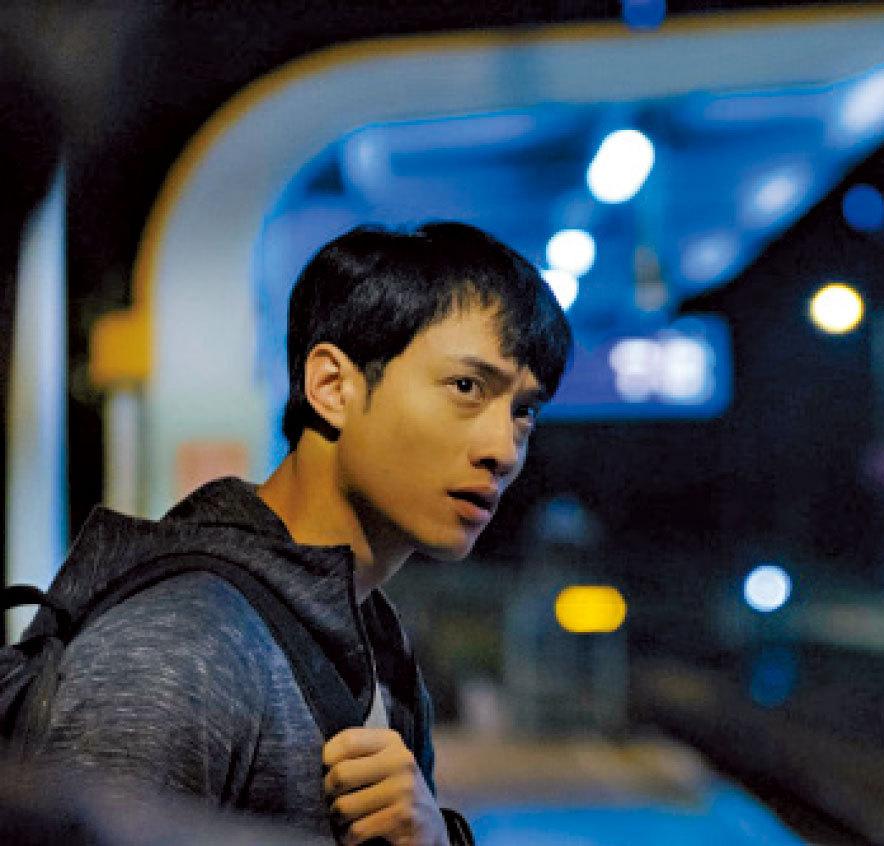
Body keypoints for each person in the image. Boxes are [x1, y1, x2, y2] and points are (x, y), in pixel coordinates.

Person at [21, 222, 572, 844]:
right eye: (466, 387)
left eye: (523, 411)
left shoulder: (373, 635)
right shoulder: (185, 641)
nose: (504, 449)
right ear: (331, 387)